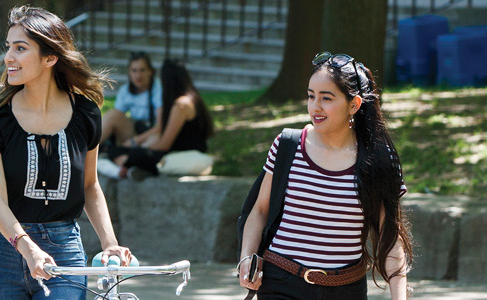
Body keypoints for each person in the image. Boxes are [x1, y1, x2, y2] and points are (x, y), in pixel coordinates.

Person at [0, 6, 132, 299]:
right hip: (0, 252)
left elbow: (90, 186)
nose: (8, 57)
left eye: (21, 48)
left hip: (64, 249)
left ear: (50, 57)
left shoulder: (86, 113)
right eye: (8, 47)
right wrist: (28, 247)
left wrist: (109, 243)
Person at [237, 52, 413, 300]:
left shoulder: (379, 160)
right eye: (311, 96)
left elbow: (390, 236)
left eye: (326, 98)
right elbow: (260, 211)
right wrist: (247, 257)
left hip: (346, 289)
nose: (315, 107)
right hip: (281, 281)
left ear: (354, 104)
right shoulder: (287, 145)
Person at [101, 59, 213, 179]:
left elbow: (164, 144)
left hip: (182, 154)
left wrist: (140, 149)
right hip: (181, 152)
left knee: (129, 154)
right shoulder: (191, 99)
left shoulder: (181, 105)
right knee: (125, 152)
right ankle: (131, 167)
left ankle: (125, 166)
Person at [101, 52, 162, 149]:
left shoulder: (158, 88)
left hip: (152, 134)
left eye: (142, 70)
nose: (138, 75)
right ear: (129, 72)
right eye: (134, 71)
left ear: (150, 71)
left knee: (156, 139)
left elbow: (160, 127)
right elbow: (117, 116)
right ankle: (89, 148)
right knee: (112, 115)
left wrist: (133, 141)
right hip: (134, 131)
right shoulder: (125, 90)